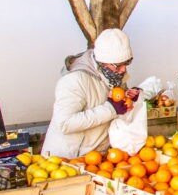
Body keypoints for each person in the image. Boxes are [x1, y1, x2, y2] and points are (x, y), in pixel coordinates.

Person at [43, 28, 139, 159]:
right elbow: (65, 123)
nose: (123, 70)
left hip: (95, 159)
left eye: (127, 63)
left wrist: (130, 97)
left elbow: (116, 106)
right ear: (102, 61)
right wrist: (111, 109)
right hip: (66, 160)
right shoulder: (75, 80)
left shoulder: (113, 76)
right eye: (118, 65)